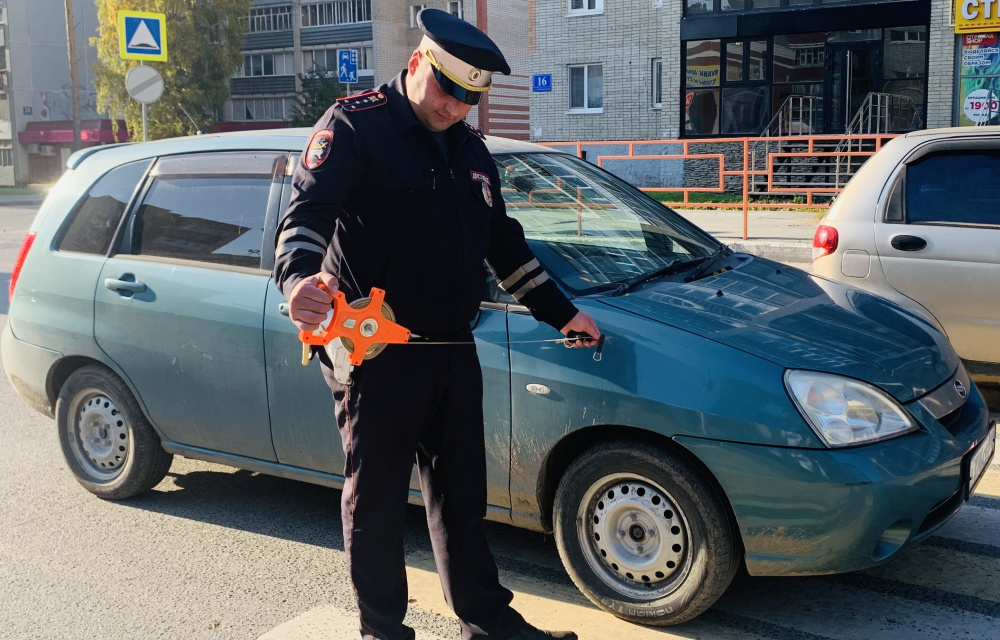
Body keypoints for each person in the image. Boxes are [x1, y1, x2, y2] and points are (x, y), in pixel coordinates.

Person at [273, 8, 600, 640]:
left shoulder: (472, 151)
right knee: (375, 502)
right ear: (420, 62)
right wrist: (297, 282)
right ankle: (383, 632)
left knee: (462, 498)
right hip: (376, 354)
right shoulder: (356, 125)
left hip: (454, 350)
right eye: (449, 90)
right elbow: (308, 215)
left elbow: (502, 246)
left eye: (471, 98)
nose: (457, 107)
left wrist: (564, 313)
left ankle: (487, 621)